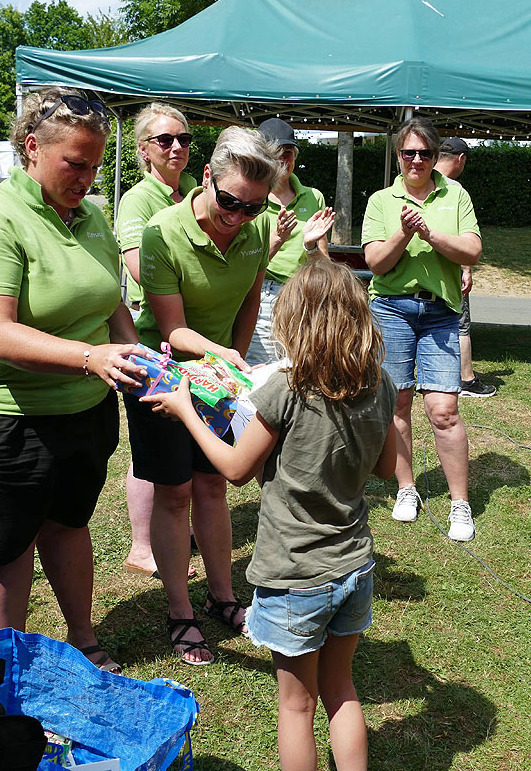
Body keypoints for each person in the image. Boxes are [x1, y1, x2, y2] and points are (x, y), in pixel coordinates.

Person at [144, 258, 397, 771]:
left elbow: (235, 470)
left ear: (294, 323)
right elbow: (389, 468)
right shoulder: (380, 383)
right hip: (355, 565)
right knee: (341, 690)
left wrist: (187, 410)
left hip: (295, 576)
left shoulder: (285, 391)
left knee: (296, 706)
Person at [0, 87, 142, 673]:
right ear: (31, 147)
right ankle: (9, 664)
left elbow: (109, 301)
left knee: (69, 523)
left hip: (84, 408)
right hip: (2, 413)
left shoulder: (92, 216)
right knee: (6, 544)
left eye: (96, 166)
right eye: (75, 164)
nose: (87, 179)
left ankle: (83, 639)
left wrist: (135, 354)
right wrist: (91, 357)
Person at [125, 125, 281, 665]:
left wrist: (236, 367)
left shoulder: (258, 228)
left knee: (213, 485)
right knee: (174, 493)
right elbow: (171, 329)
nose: (239, 216)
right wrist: (222, 355)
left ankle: (223, 597)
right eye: (230, 202)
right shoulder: (162, 233)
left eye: (253, 207)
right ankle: (180, 612)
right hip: (164, 375)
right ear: (208, 177)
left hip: (221, 371)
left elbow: (251, 299)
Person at [361, 116, 483, 542]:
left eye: (425, 153)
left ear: (435, 156)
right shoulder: (381, 200)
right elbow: (375, 263)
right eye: (408, 153)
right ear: (398, 155)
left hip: (441, 312)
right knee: (397, 404)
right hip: (391, 309)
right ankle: (406, 488)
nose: (416, 160)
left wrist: (430, 235)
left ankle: (460, 503)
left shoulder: (456, 194)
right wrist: (403, 232)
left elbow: (472, 250)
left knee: (444, 410)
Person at [115, 103, 199, 581]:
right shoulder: (138, 200)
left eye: (183, 139)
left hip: (190, 338)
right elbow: (138, 269)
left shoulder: (193, 189)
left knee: (181, 447)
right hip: (152, 341)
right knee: (149, 450)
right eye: (164, 140)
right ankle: (142, 546)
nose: (176, 147)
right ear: (144, 149)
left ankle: (171, 532)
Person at [245, 117, 335, 366]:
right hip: (262, 296)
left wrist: (310, 246)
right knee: (261, 373)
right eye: (274, 153)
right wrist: (277, 238)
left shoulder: (313, 196)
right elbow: (244, 264)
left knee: (299, 371)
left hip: (303, 296)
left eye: (287, 152)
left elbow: (323, 264)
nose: (282, 160)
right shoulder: (249, 197)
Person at [434, 137, 496, 397]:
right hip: (450, 268)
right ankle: (466, 379)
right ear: (460, 159)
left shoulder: (417, 183)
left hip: (417, 272)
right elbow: (463, 238)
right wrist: (466, 269)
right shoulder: (455, 190)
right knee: (460, 324)